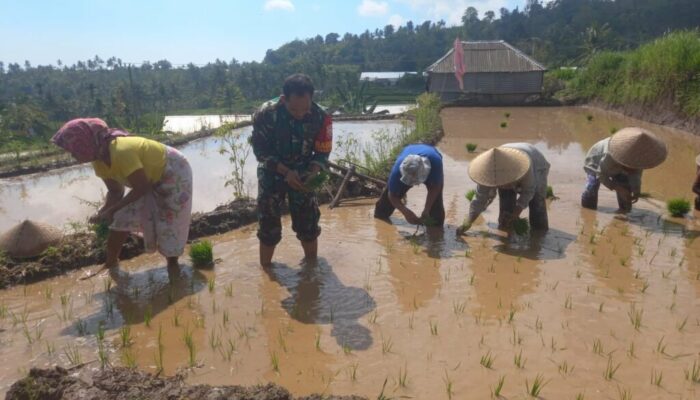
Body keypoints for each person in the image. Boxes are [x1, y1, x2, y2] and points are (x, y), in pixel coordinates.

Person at [51, 118, 193, 272]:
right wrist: (104, 211)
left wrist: (112, 210)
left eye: (74, 150)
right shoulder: (98, 160)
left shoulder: (121, 151)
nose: (72, 155)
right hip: (146, 180)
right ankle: (111, 263)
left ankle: (173, 265)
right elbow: (115, 191)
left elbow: (141, 187)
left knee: (170, 221)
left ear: (85, 144)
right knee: (121, 217)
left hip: (173, 170)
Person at [251, 73, 332, 267]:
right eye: (294, 109)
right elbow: (260, 151)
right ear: (283, 99)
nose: (301, 114)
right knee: (269, 226)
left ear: (312, 99)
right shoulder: (266, 114)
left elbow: (323, 150)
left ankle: (311, 270)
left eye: (306, 108)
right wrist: (285, 171)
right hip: (272, 172)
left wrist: (313, 171)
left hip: (304, 174)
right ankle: (266, 273)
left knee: (309, 225)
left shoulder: (321, 116)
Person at [458, 143, 550, 234]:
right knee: (506, 212)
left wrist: (516, 213)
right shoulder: (487, 172)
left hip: (536, 164)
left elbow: (529, 191)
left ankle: (539, 236)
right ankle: (507, 233)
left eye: (504, 183)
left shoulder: (523, 167)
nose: (502, 186)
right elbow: (479, 199)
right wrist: (468, 223)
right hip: (505, 163)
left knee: (537, 205)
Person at [581, 127, 667, 213]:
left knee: (625, 186)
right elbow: (601, 175)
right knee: (592, 187)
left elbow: (636, 176)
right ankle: (588, 212)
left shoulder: (640, 157)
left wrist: (636, 191)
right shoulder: (610, 155)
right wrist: (617, 188)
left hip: (617, 166)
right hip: (596, 161)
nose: (633, 169)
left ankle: (623, 211)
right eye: (631, 167)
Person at [373, 144, 444, 226]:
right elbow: (392, 195)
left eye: (415, 181)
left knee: (436, 210)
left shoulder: (435, 164)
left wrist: (426, 209)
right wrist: (405, 211)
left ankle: (436, 232)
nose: (413, 184)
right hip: (410, 152)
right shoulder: (397, 172)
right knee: (383, 208)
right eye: (410, 181)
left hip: (431, 158)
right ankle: (380, 218)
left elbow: (435, 187)